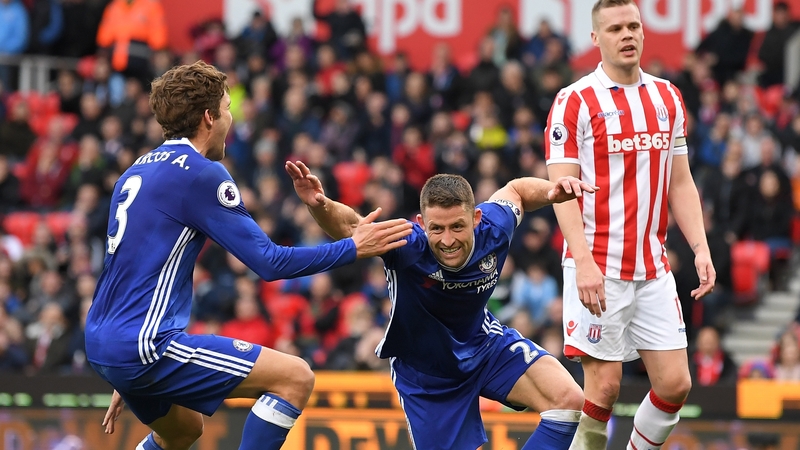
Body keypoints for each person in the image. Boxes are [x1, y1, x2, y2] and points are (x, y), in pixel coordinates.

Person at [86, 61, 413, 450]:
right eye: (227, 109)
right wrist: (354, 248)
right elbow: (269, 263)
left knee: (183, 431)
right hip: (142, 346)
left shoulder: (136, 172)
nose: (232, 119)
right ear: (209, 117)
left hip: (106, 339)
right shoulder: (200, 173)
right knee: (294, 377)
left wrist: (122, 360)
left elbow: (124, 266)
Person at [286, 160, 597, 449]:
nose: (448, 240)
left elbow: (516, 190)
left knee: (568, 402)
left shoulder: (494, 227)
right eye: (437, 229)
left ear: (476, 218)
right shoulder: (407, 244)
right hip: (427, 377)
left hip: (485, 347)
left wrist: (551, 191)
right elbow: (353, 227)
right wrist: (320, 204)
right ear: (422, 223)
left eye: (457, 227)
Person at [544, 1, 716, 449]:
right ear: (595, 38)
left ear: (643, 31)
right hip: (597, 265)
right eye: (615, 28)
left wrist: (700, 247)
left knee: (675, 384)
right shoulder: (574, 101)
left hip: (652, 266)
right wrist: (583, 261)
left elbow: (680, 182)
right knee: (604, 389)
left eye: (633, 26)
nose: (627, 35)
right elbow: (561, 190)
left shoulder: (667, 97)